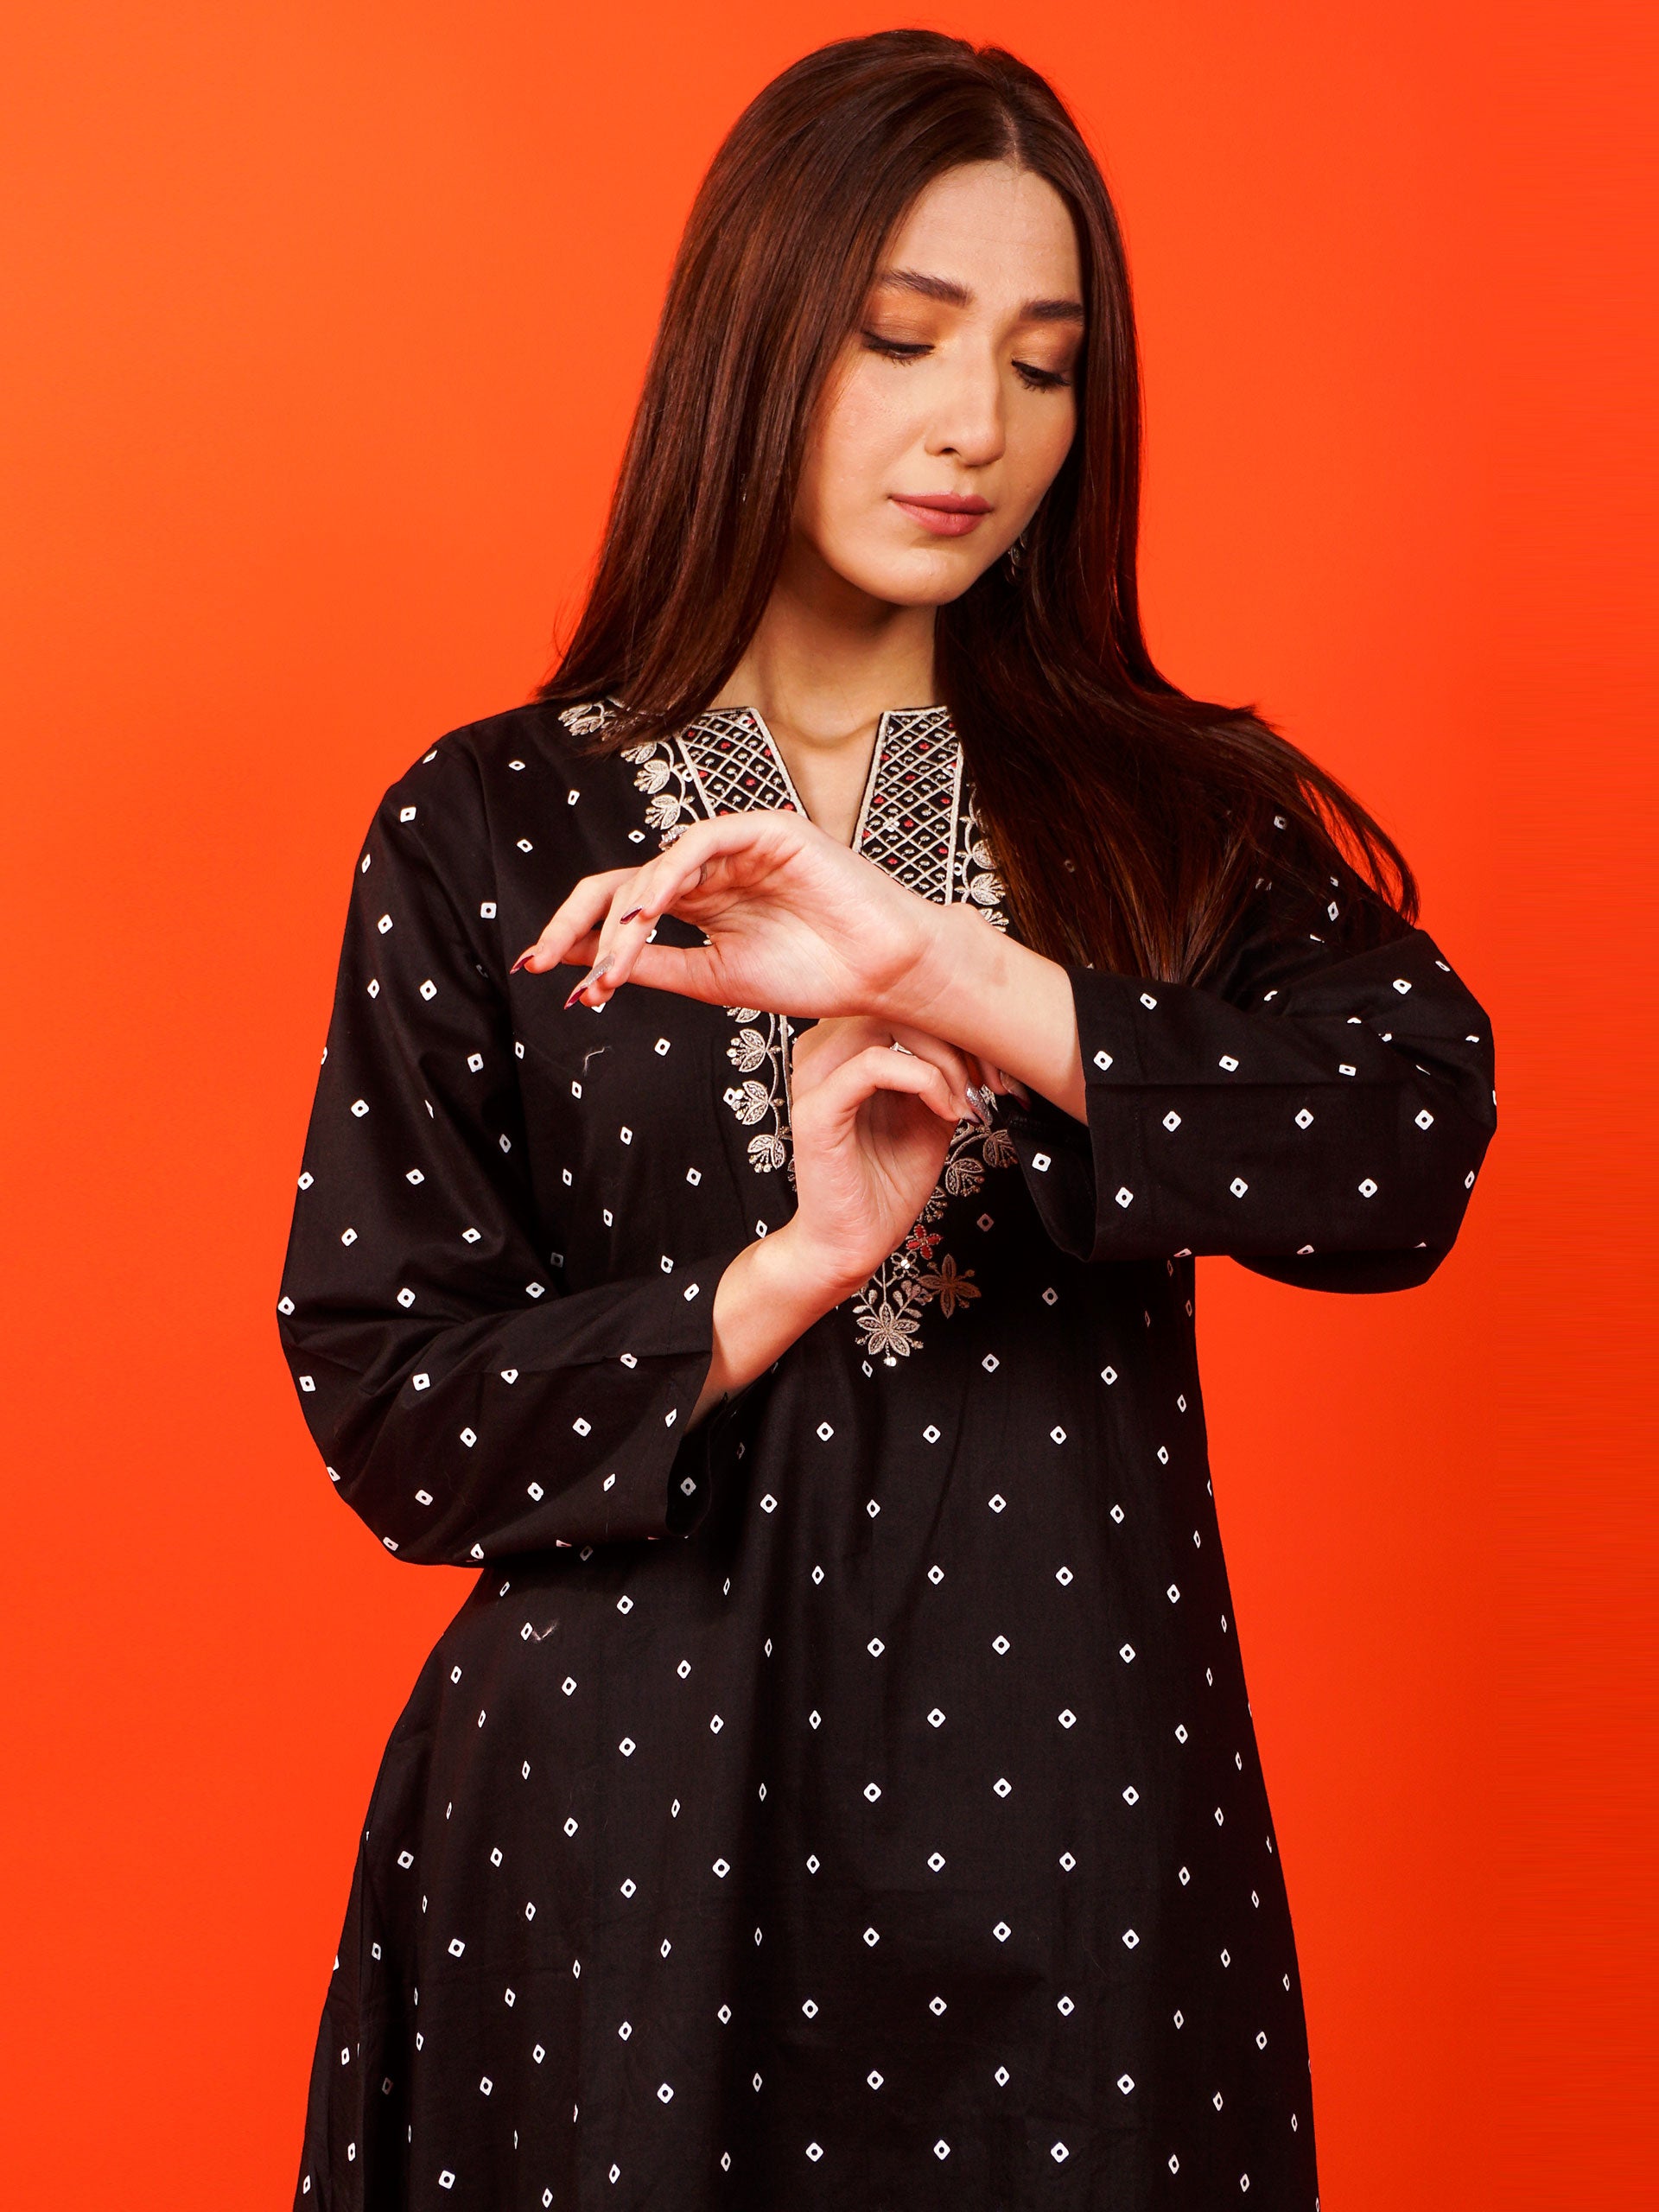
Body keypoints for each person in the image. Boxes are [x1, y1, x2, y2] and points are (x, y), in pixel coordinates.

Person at [277, 30, 1497, 2209]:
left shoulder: (1167, 811)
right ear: (753, 341)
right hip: (616, 1854)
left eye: (1043, 366)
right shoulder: (493, 820)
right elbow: (393, 1404)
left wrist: (953, 971)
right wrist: (796, 1264)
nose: (977, 428)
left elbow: (1406, 1145)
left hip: (1084, 1835)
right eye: (902, 337)